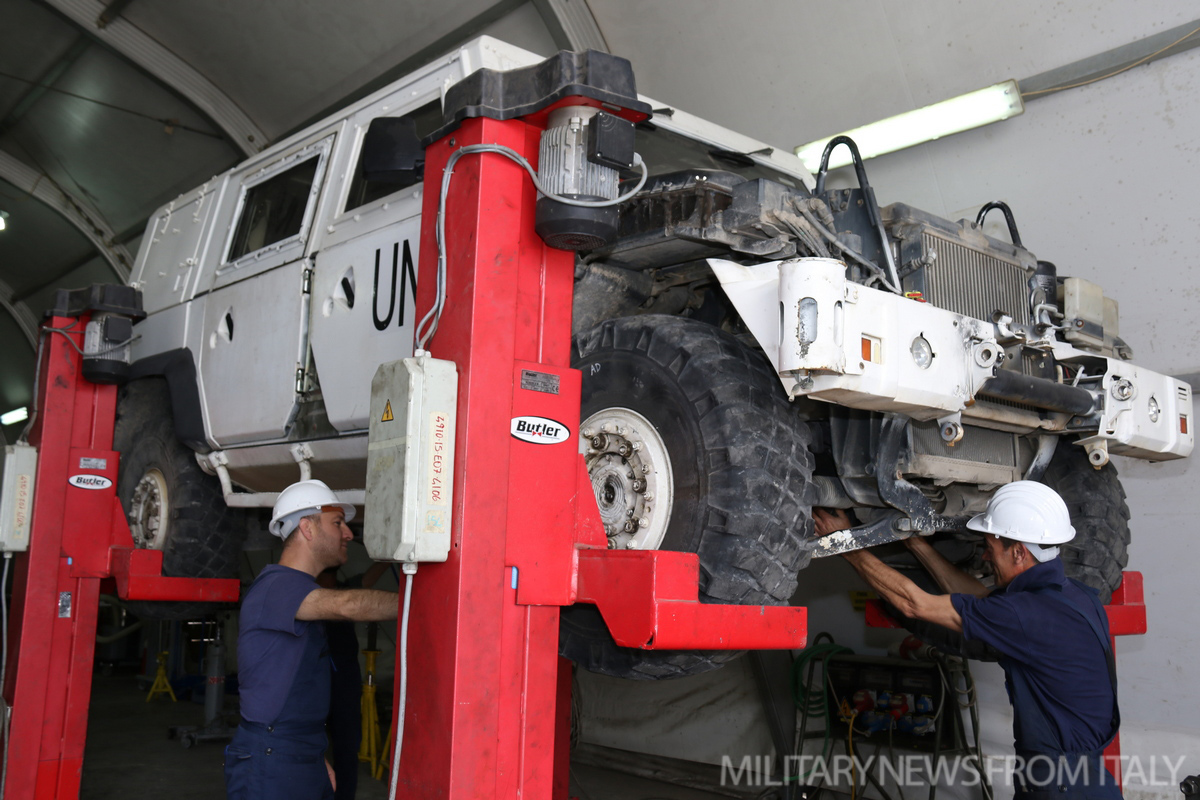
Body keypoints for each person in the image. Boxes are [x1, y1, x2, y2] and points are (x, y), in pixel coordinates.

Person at [813, 481, 1121, 800]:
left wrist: (845, 543)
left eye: (990, 545)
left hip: (1060, 787)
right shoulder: (1073, 597)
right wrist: (917, 545)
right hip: (1089, 780)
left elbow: (914, 604)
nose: (985, 555)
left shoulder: (1026, 615)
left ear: (1019, 552)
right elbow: (981, 599)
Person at [225, 480, 399, 800]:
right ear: (307, 528)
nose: (347, 533)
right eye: (337, 523)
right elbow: (346, 606)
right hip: (272, 758)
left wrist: (315, 756)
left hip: (299, 752)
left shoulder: (296, 588)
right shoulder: (278, 586)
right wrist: (422, 606)